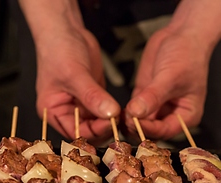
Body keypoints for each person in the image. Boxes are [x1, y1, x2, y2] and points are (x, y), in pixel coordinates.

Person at [15, 0, 221, 146]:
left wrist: (195, 31)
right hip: (54, 15)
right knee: (59, 133)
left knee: (187, 126)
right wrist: (56, 30)